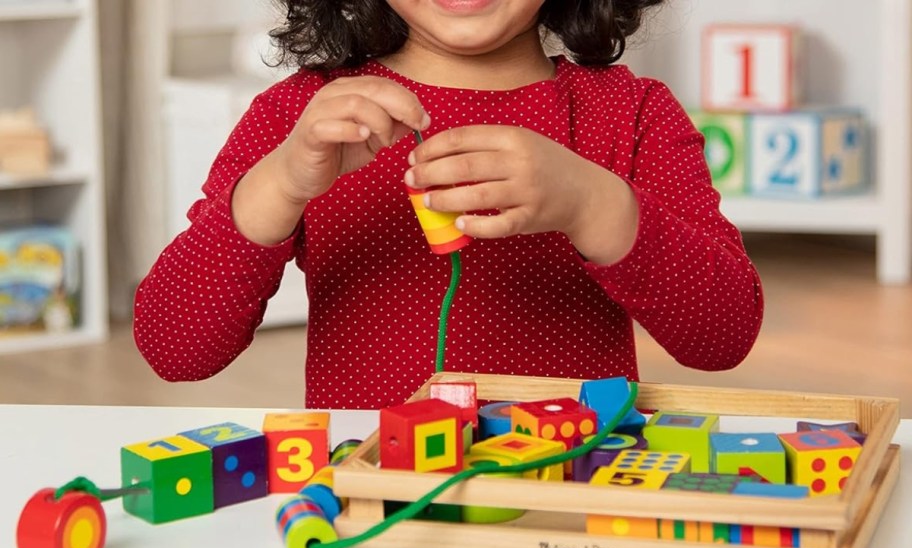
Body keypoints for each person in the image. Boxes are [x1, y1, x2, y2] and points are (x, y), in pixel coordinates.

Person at [134, 0, 764, 410]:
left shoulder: (631, 115)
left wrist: (592, 203)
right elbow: (173, 346)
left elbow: (724, 335)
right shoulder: (305, 117)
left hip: (569, 500)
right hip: (372, 504)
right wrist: (280, 185)